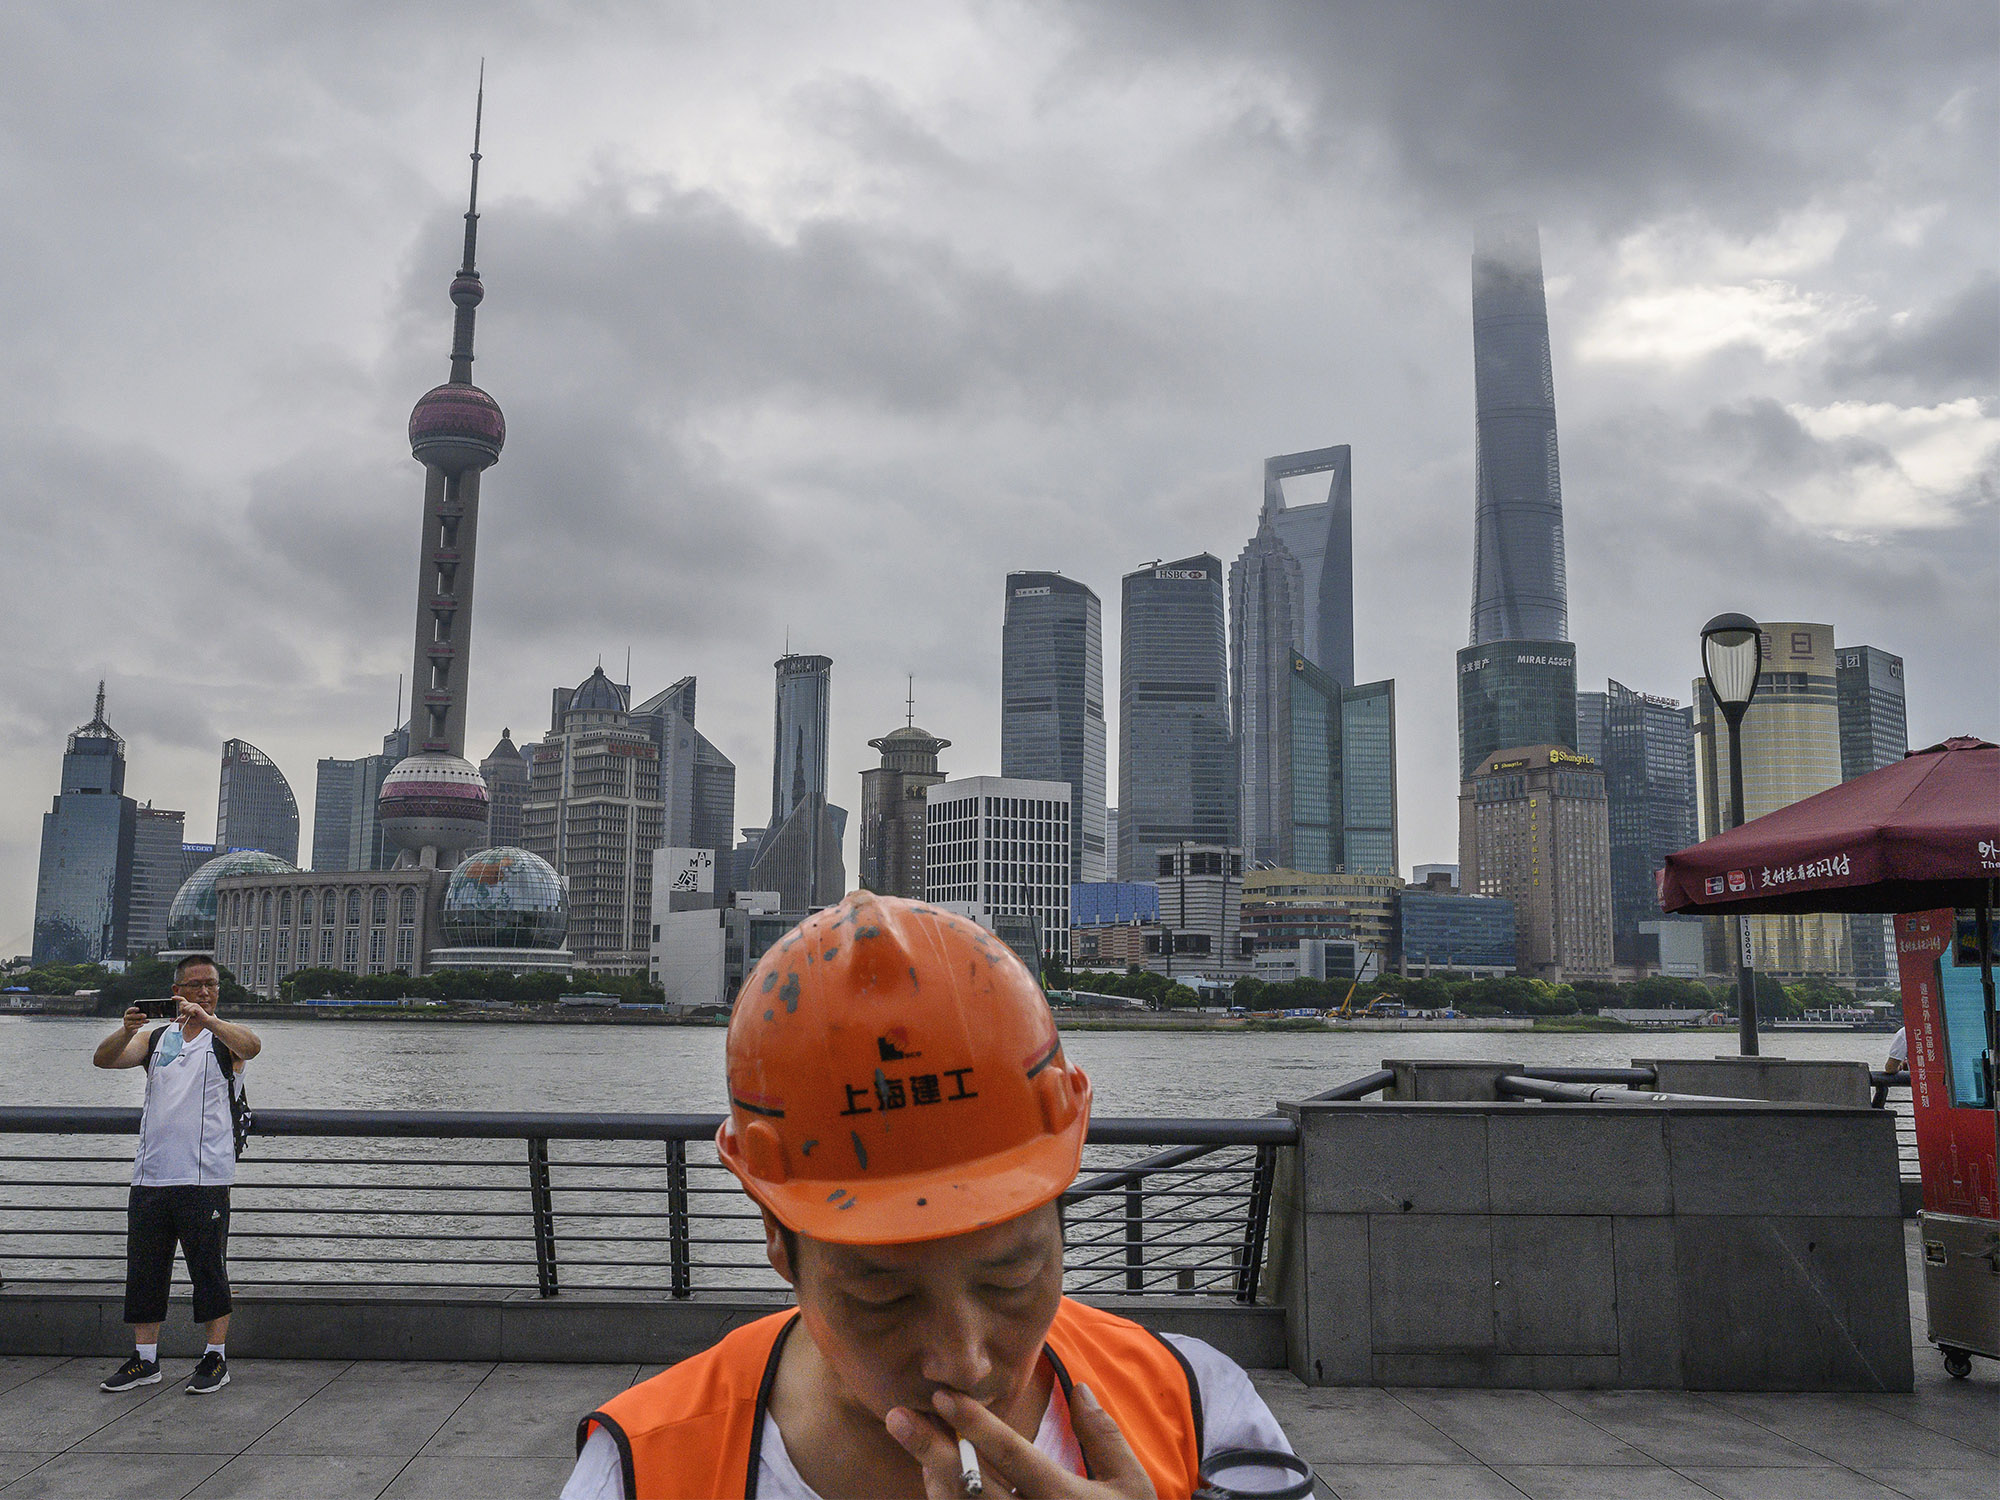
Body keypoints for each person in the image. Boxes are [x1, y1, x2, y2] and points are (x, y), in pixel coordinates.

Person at [563, 892, 1296, 1500]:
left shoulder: (1196, 1409)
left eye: (1011, 1277)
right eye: (885, 1298)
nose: (964, 1362)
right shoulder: (645, 1470)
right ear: (778, 1239)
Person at [91, 952, 260, 1395]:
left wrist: (208, 1019)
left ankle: (215, 1357)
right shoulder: (159, 1037)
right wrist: (125, 1030)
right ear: (176, 992)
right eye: (196, 985)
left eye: (212, 985)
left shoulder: (224, 1040)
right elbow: (104, 1060)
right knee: (145, 1271)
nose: (205, 991)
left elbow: (252, 1046)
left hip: (204, 1177)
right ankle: (145, 1360)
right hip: (150, 1175)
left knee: (209, 1271)